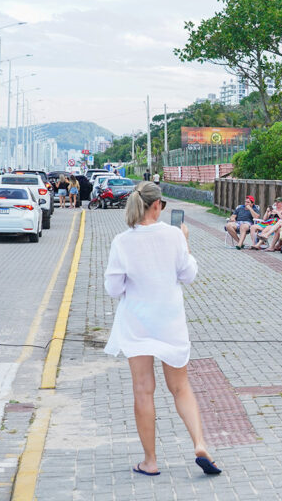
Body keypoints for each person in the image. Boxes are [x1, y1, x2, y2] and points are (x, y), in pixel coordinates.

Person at [103, 181, 221, 477]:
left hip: (137, 323)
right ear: (157, 206)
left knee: (144, 391)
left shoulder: (122, 241)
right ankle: (200, 444)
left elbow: (113, 287)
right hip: (170, 323)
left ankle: (150, 461)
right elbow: (188, 275)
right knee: (180, 387)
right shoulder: (174, 235)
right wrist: (186, 242)